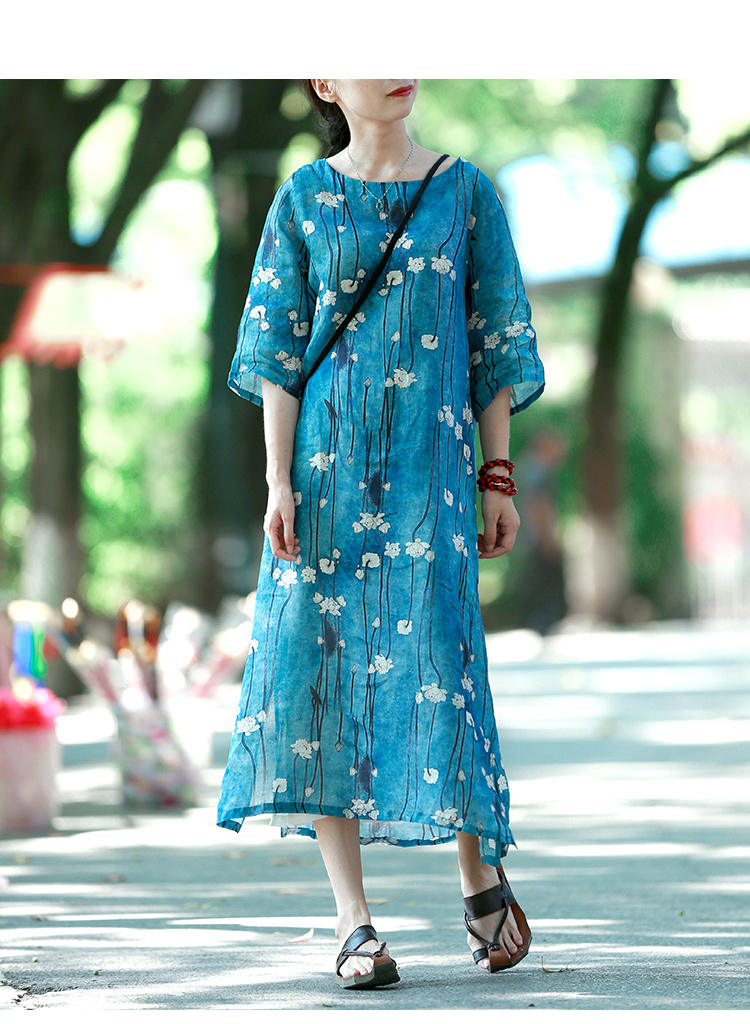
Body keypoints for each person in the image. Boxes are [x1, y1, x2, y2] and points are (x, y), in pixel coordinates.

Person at [217, 79, 545, 989]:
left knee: (445, 660)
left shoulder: (465, 192)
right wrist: (278, 481)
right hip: (325, 475)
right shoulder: (302, 198)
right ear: (325, 81)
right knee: (319, 677)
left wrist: (497, 474)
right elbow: (278, 353)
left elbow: (495, 342)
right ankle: (353, 920)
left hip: (430, 478)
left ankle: (476, 871)